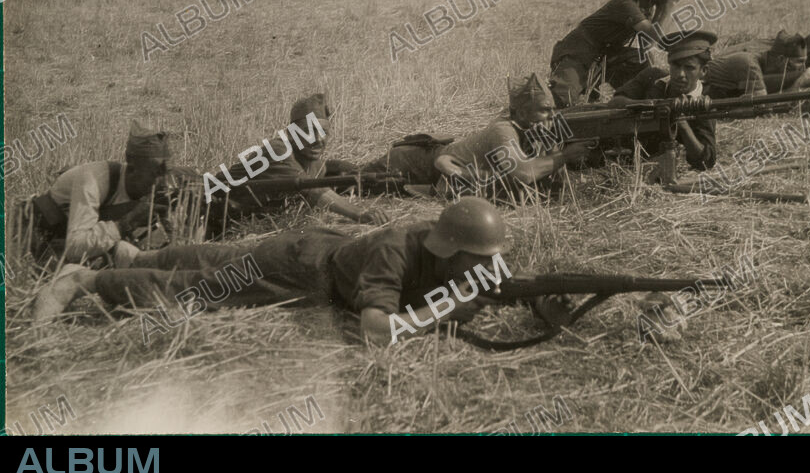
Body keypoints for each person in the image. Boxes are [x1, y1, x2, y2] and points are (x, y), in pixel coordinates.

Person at [32, 198, 569, 346]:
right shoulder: (395, 252)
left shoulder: (456, 240)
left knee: (217, 259)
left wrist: (541, 300)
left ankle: (133, 255)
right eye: (480, 259)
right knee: (200, 290)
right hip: (303, 271)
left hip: (316, 245)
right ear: (454, 249)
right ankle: (83, 281)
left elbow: (503, 273)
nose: (488, 266)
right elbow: (377, 333)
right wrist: (443, 307)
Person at [350, 74, 594, 200]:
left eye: (552, 110)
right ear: (521, 112)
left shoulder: (529, 125)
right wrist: (564, 155)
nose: (551, 115)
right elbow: (522, 173)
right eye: (544, 110)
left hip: (439, 171)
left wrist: (552, 143)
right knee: (352, 182)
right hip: (415, 164)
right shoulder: (503, 129)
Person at [207, 94, 387, 234]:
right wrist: (359, 213)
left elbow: (328, 171)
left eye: (324, 132)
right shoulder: (278, 150)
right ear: (291, 133)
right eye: (309, 132)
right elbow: (315, 191)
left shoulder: (312, 161)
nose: (318, 140)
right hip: (207, 210)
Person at [19, 121, 171, 269]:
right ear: (131, 169)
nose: (164, 181)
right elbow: (74, 247)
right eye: (155, 174)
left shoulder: (153, 181)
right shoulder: (93, 180)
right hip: (34, 233)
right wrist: (126, 223)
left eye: (166, 172)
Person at [549, 0, 694, 108]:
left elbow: (648, 43)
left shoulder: (645, 8)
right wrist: (670, 3)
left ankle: (634, 98)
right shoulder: (625, 3)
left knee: (640, 59)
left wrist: (661, 7)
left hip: (604, 56)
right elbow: (657, 36)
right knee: (562, 102)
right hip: (578, 52)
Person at [609, 31, 718, 173]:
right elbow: (615, 102)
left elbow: (705, 162)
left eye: (689, 67)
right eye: (675, 65)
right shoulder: (652, 77)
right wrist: (649, 107)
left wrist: (682, 124)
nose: (680, 74)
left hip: (641, 168)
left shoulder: (703, 105)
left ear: (703, 71)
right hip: (614, 149)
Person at [703, 29, 810, 99]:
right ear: (781, 59)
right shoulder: (750, 64)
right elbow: (761, 107)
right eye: (800, 62)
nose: (803, 67)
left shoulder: (760, 59)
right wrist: (799, 84)